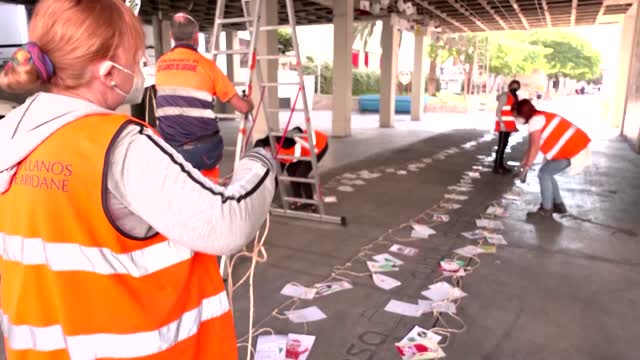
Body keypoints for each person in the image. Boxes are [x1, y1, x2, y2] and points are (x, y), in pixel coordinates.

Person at [0, 1, 275, 359]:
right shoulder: (121, 145)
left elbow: (79, 225)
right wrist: (261, 159)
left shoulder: (10, 134)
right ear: (108, 72)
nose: (142, 64)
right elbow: (226, 223)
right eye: (135, 56)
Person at [154, 12, 253, 172]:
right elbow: (242, 108)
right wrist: (249, 102)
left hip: (170, 151)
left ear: (171, 36)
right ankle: (210, 190)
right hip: (203, 152)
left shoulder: (160, 65)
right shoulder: (207, 66)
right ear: (196, 37)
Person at [512, 99, 591, 218]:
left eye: (516, 115)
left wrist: (527, 167)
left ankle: (546, 209)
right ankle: (558, 204)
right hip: (575, 147)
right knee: (547, 172)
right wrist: (523, 162)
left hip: (572, 149)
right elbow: (532, 145)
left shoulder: (535, 121)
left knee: (544, 174)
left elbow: (535, 147)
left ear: (523, 113)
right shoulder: (539, 117)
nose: (515, 119)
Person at [256, 127, 328, 212]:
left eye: (265, 152)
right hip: (304, 149)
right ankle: (298, 199)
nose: (266, 155)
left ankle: (310, 202)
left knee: (301, 174)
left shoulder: (282, 148)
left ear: (267, 147)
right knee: (290, 170)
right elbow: (277, 175)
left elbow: (298, 129)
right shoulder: (274, 145)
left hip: (319, 146)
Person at [493, 80, 520, 174]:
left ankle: (501, 165)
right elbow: (498, 110)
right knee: (501, 146)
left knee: (504, 145)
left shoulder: (514, 97)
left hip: (509, 125)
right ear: (510, 86)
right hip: (503, 125)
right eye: (514, 86)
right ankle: (497, 166)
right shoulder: (505, 96)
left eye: (517, 87)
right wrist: (501, 122)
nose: (515, 88)